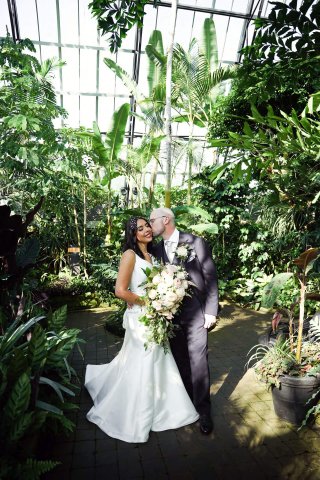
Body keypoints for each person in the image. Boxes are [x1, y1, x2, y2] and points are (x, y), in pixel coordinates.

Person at [85, 216, 199, 443]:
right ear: (132, 234)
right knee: (145, 359)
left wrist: (165, 299)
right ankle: (136, 414)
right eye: (140, 228)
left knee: (158, 359)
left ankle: (164, 407)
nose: (146, 229)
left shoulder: (152, 255)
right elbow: (120, 290)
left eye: (147, 225)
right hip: (141, 317)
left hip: (155, 315)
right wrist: (150, 302)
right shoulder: (130, 255)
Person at [150, 208, 218, 435]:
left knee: (198, 361)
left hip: (196, 312)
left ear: (165, 220)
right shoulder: (155, 249)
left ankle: (204, 411)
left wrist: (211, 311)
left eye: (152, 220)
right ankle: (186, 405)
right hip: (169, 314)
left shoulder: (195, 242)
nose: (150, 225)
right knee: (179, 360)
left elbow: (210, 276)